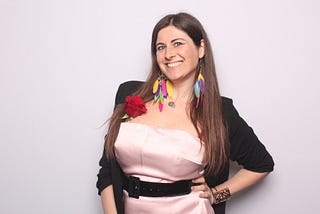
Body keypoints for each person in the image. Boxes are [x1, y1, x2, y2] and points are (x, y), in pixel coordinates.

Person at [96, 12, 274, 214]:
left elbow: (261, 164)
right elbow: (107, 172)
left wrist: (217, 194)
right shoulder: (129, 93)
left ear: (201, 49)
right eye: (160, 47)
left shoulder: (219, 112)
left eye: (178, 43)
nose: (168, 54)